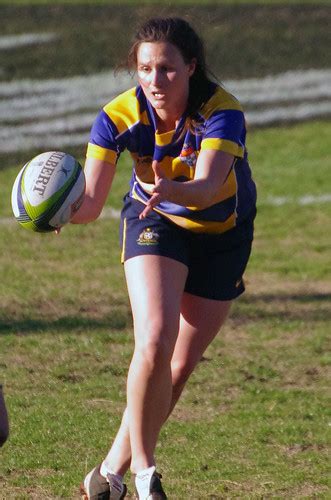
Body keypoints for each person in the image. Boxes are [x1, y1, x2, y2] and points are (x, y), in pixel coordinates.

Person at [74, 17, 257, 500]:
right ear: (135, 70)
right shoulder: (116, 118)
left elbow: (207, 187)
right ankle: (145, 473)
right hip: (154, 221)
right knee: (154, 336)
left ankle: (111, 471)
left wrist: (173, 187)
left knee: (176, 367)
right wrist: (52, 211)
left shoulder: (222, 112)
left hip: (223, 235)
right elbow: (91, 204)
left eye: (168, 69)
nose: (156, 81)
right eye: (146, 69)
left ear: (191, 67)